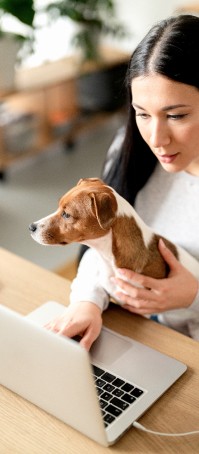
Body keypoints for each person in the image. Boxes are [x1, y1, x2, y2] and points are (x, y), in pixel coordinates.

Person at [46, 14, 199, 348]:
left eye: (176, 115)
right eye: (142, 113)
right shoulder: (130, 151)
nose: (156, 138)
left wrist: (194, 296)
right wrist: (86, 301)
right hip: (135, 334)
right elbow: (98, 244)